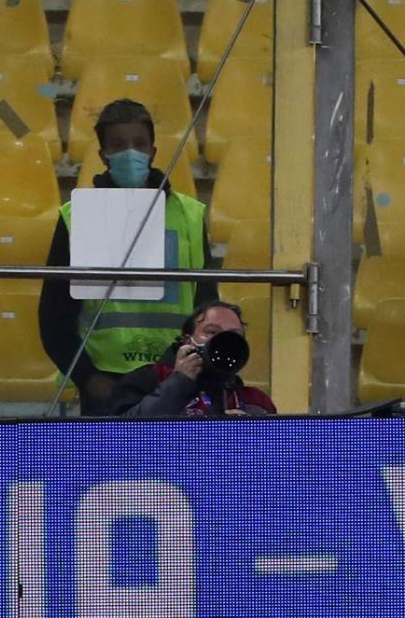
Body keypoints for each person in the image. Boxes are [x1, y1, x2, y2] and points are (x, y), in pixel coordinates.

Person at [38, 98, 218, 416]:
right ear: (102, 155)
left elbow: (207, 304)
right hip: (104, 381)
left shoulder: (189, 215)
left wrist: (192, 366)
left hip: (176, 372)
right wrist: (87, 377)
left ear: (153, 151)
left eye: (139, 143)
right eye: (119, 145)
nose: (131, 153)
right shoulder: (76, 217)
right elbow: (54, 317)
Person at [108, 300, 276, 417]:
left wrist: (253, 432)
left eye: (234, 335)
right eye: (212, 332)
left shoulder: (256, 401)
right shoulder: (149, 379)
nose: (223, 340)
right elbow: (122, 438)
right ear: (188, 341)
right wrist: (179, 382)